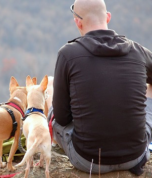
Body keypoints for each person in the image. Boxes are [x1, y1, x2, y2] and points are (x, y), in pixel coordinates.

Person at [51, 0, 152, 175]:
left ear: (78, 21)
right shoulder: (138, 51)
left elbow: (61, 117)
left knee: (52, 111)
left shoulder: (67, 54)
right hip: (136, 155)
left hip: (87, 159)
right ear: (108, 17)